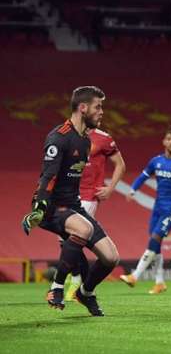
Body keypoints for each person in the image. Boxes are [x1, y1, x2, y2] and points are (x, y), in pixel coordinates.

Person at [21, 86, 120, 316]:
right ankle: (56, 287)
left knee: (111, 257)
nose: (102, 112)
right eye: (98, 106)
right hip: (52, 207)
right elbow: (48, 175)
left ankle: (85, 293)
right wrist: (40, 205)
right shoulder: (59, 137)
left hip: (73, 206)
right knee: (83, 228)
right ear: (82, 108)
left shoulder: (85, 141)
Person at [120, 130, 171, 294]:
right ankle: (159, 282)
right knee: (156, 243)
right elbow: (143, 176)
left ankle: (135, 276)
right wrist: (133, 190)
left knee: (155, 238)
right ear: (163, 141)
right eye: (168, 139)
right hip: (158, 207)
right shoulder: (156, 161)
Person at [64, 125, 125, 301]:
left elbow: (120, 164)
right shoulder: (67, 135)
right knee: (64, 239)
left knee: (74, 237)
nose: (100, 113)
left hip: (88, 196)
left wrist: (111, 188)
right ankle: (80, 283)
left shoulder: (104, 138)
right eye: (97, 108)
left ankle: (77, 281)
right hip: (67, 194)